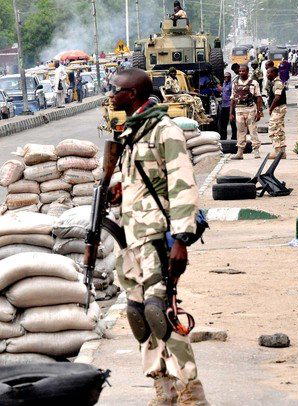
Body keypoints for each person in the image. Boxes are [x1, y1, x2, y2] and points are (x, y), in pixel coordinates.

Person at [108, 68, 208, 405]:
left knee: (160, 312)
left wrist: (181, 240)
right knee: (138, 316)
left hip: (156, 237)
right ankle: (162, 388)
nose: (111, 95)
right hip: (131, 238)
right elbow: (137, 180)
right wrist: (118, 191)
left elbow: (183, 188)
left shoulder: (165, 131)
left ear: (133, 93)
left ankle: (191, 389)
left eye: (116, 89)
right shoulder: (131, 133)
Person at [230, 65, 263, 159]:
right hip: (239, 110)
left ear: (247, 72)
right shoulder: (235, 83)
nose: (241, 73)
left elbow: (258, 97)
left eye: (243, 71)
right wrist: (231, 113)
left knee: (252, 130)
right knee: (240, 131)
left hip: (250, 109)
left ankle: (256, 150)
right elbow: (232, 99)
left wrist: (259, 111)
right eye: (240, 71)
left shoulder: (253, 83)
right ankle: (240, 152)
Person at [266, 66, 287, 159]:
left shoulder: (277, 83)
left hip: (278, 108)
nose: (267, 74)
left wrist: (271, 108)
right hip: (278, 108)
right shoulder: (273, 82)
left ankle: (278, 151)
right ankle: (282, 153)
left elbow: (277, 97)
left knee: (273, 129)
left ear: (274, 73)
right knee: (279, 129)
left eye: (269, 73)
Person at [218, 72, 237, 140]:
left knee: (232, 122)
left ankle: (234, 137)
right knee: (223, 122)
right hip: (224, 105)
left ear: (230, 77)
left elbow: (233, 96)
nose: (226, 78)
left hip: (230, 105)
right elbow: (222, 90)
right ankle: (223, 137)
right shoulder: (224, 84)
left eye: (228, 77)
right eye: (225, 77)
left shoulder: (232, 85)